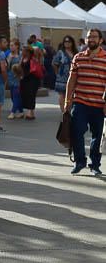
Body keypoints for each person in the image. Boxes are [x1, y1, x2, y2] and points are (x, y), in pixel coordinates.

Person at [64, 28, 106, 176]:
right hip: (80, 102)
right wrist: (67, 100)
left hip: (100, 105)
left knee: (98, 136)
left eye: (94, 37)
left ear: (101, 40)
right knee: (76, 131)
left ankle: (95, 164)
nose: (91, 40)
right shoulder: (78, 57)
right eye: (89, 37)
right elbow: (72, 80)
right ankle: (80, 161)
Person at [53, 35, 78, 113]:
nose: (67, 43)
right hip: (62, 77)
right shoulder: (60, 52)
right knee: (62, 94)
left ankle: (70, 110)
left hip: (73, 77)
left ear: (72, 43)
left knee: (72, 95)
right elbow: (54, 63)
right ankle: (64, 112)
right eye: (65, 42)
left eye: (68, 42)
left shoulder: (76, 53)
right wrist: (57, 73)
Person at [20, 45, 42, 120]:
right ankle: (31, 112)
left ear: (27, 52)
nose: (22, 52)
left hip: (33, 80)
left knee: (31, 95)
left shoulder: (32, 59)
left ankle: (30, 112)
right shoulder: (23, 58)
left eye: (23, 51)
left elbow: (34, 69)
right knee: (27, 95)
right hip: (25, 80)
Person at [6, 38, 24, 119]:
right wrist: (9, 59)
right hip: (11, 77)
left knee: (16, 94)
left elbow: (22, 66)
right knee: (13, 96)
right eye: (10, 45)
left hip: (18, 77)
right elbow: (7, 67)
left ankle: (13, 112)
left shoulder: (21, 55)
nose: (11, 47)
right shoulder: (9, 55)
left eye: (12, 45)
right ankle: (20, 111)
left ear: (17, 46)